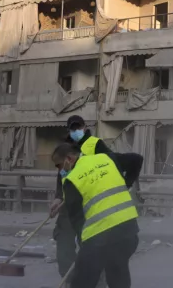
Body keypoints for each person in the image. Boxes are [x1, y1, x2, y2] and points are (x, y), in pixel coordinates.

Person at [52, 143, 144, 288]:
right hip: (129, 231)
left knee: (82, 281)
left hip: (99, 236)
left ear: (69, 158)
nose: (59, 170)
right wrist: (127, 183)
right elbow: (136, 159)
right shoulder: (106, 158)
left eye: (58, 165)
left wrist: (83, 243)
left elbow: (76, 218)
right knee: (118, 275)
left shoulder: (71, 179)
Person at [51, 117, 113, 283]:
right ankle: (70, 280)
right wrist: (58, 197)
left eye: (78, 127)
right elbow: (61, 176)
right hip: (68, 206)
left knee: (92, 248)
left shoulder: (95, 145)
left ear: (85, 127)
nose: (75, 131)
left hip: (89, 206)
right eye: (72, 128)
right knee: (63, 244)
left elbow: (110, 167)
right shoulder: (65, 148)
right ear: (68, 130)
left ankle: (96, 282)